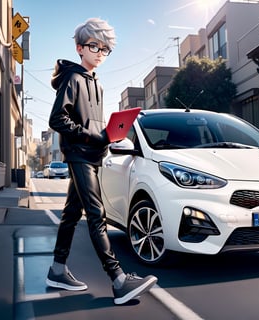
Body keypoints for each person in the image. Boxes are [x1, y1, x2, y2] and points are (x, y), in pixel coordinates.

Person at [47, 17, 157, 305]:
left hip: (93, 154)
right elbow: (57, 119)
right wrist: (92, 135)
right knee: (97, 215)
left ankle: (57, 270)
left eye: (105, 49)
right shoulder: (73, 79)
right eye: (94, 46)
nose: (100, 53)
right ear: (80, 48)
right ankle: (118, 279)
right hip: (79, 154)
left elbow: (94, 125)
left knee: (72, 213)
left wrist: (110, 136)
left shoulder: (97, 83)